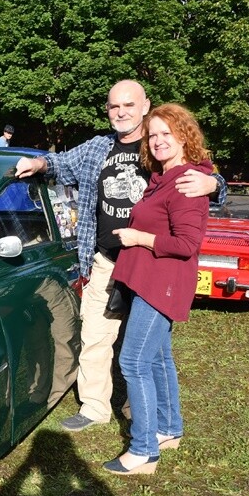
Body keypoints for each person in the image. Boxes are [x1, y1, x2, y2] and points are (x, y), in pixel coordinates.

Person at [14, 79, 223, 433]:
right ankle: (95, 406)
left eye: (129, 105)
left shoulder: (159, 142)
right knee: (96, 333)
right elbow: (60, 163)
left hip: (152, 264)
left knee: (147, 345)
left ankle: (137, 407)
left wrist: (216, 183)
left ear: (145, 105)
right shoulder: (98, 148)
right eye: (114, 106)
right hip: (106, 259)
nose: (121, 112)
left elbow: (199, 173)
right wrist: (37, 163)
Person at [102, 103, 211, 475]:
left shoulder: (185, 182)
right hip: (147, 281)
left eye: (168, 133)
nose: (160, 140)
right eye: (154, 135)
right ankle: (168, 429)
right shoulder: (163, 177)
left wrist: (139, 237)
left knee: (133, 362)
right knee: (159, 358)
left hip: (161, 285)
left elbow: (187, 244)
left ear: (184, 137)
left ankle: (144, 450)